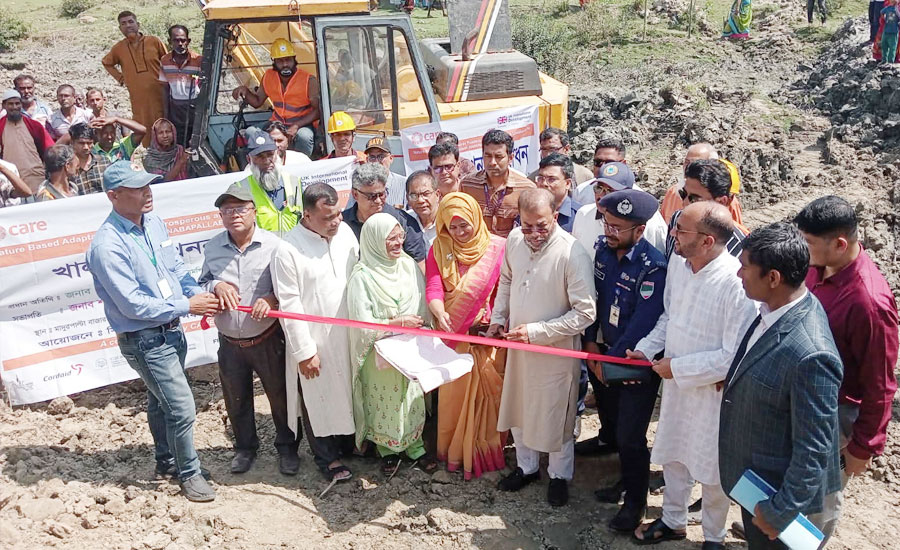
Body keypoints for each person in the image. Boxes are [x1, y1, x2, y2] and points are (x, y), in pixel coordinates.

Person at [85, 160, 220, 502]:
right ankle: (189, 473)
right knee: (181, 407)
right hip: (145, 339)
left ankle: (166, 460)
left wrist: (194, 292)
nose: (147, 192)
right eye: (137, 188)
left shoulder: (154, 224)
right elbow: (132, 305)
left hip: (170, 332)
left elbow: (175, 267)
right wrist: (188, 306)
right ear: (114, 196)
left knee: (162, 403)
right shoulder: (107, 245)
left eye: (147, 184)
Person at [629, 201, 758, 548]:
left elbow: (733, 355)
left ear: (707, 241)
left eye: (681, 230)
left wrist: (678, 368)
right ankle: (673, 520)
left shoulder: (736, 282)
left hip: (713, 394)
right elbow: (670, 317)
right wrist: (646, 348)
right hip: (676, 384)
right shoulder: (679, 264)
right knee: (674, 451)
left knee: (712, 469)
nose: (672, 234)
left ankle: (713, 537)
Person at [720, 222, 844, 549]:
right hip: (756, 484)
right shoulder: (775, 307)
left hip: (780, 503)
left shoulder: (811, 354)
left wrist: (780, 513)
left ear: (773, 278)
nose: (738, 274)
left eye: (745, 267)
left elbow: (814, 449)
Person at [490, 188, 597, 506]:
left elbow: (585, 313)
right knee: (521, 408)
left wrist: (537, 332)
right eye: (527, 226)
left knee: (554, 416)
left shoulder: (572, 253)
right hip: (519, 349)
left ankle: (560, 476)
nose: (534, 234)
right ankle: (526, 467)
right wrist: (499, 318)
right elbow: (507, 279)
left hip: (555, 354)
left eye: (542, 226)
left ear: (555, 215)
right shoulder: (513, 240)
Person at [198, 183, 300, 475]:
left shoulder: (276, 246)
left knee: (280, 397)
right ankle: (244, 448)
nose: (234, 215)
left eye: (240, 208)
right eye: (226, 210)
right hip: (230, 341)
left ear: (254, 211)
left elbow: (290, 288)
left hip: (267, 337)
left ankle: (288, 447)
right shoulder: (214, 247)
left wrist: (271, 299)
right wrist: (215, 285)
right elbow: (201, 281)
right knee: (236, 397)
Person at [582, 189, 668, 531]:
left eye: (619, 227)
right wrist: (591, 344)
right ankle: (625, 480)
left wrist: (610, 361)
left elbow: (642, 324)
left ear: (640, 230)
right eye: (608, 223)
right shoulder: (603, 253)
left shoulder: (653, 268)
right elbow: (593, 300)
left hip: (634, 364)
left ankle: (635, 504)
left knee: (632, 436)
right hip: (601, 357)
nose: (609, 231)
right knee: (615, 428)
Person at [796, 196, 898, 481]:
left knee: (817, 501)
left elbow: (880, 384)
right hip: (802, 400)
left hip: (834, 415)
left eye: (809, 242)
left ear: (840, 245)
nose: (803, 248)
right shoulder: (817, 268)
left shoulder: (868, 302)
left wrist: (863, 448)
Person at [272, 183, 359, 481]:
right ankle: (327, 458)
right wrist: (304, 351)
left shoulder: (345, 234)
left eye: (337, 215)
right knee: (318, 396)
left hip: (349, 335)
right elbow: (289, 303)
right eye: (327, 218)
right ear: (307, 216)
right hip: (315, 341)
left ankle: (349, 445)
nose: (335, 222)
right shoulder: (287, 250)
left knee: (348, 391)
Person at [347, 213, 436, 474]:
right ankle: (387, 450)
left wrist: (414, 327)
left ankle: (416, 447)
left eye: (400, 237)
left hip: (409, 348)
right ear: (374, 241)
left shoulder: (408, 265)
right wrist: (395, 325)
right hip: (380, 352)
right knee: (384, 401)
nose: (398, 243)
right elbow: (362, 323)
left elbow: (422, 304)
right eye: (390, 239)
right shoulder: (362, 277)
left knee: (411, 399)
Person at [426, 192, 508, 479]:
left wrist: (493, 323)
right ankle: (456, 454)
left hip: (488, 338)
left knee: (489, 400)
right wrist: (438, 310)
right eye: (453, 227)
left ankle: (487, 456)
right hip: (454, 339)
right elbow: (434, 286)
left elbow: (504, 293)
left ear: (476, 219)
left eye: (465, 226)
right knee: (454, 401)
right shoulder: (439, 248)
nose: (460, 233)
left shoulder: (498, 248)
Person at [232, 38, 320, 157]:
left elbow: (317, 111)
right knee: (251, 132)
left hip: (302, 124)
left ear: (294, 60)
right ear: (274, 62)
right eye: (280, 61)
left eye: (288, 60)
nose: (285, 64)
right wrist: (245, 92)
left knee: (304, 136)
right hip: (276, 123)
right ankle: (268, 164)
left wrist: (296, 126)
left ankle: (301, 168)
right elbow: (257, 102)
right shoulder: (268, 76)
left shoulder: (309, 80)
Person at [571, 162, 668, 256]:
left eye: (610, 191)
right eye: (598, 188)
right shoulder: (583, 214)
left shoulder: (650, 222)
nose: (602, 196)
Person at [102, 11, 167, 147]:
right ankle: (152, 155)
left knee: (165, 124)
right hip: (139, 100)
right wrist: (121, 78)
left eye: (131, 22)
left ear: (138, 24)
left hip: (160, 95)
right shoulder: (119, 48)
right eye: (123, 23)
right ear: (120, 29)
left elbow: (167, 61)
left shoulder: (154, 41)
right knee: (145, 127)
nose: (128, 26)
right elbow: (106, 62)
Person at [342, 163, 427, 263]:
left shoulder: (404, 222)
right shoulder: (343, 224)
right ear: (355, 194)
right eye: (371, 196)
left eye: (381, 194)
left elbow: (419, 265)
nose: (378, 201)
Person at [664, 159, 749, 260]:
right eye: (683, 194)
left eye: (695, 199)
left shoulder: (739, 249)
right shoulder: (676, 220)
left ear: (722, 202)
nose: (685, 203)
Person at [460, 129, 536, 238]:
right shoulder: (467, 185)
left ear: (510, 158)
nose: (492, 162)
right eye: (488, 156)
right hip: (477, 251)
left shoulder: (527, 189)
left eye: (499, 157)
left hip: (511, 251)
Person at [236, 127, 303, 238]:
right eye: (260, 157)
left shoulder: (295, 183)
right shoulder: (240, 189)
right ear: (249, 160)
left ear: (276, 154)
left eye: (270, 154)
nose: (266, 161)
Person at [0, 89, 56, 195]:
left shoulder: (34, 126)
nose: (14, 107)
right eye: (10, 104)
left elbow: (50, 150)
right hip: (12, 182)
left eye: (17, 103)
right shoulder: (0, 127)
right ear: (4, 106)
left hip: (37, 179)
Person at [158, 25, 202, 148]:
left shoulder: (198, 60)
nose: (180, 43)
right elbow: (165, 89)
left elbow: (204, 88)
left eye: (183, 40)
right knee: (178, 146)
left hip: (194, 110)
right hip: (175, 111)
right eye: (176, 40)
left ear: (188, 41)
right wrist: (166, 117)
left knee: (194, 146)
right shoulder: (165, 61)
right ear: (170, 42)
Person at [659, 143, 719, 224]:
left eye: (695, 163)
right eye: (687, 162)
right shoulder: (673, 193)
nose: (688, 167)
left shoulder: (722, 199)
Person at [528, 127, 593, 186]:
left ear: (566, 149)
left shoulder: (584, 176)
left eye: (552, 149)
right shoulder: (532, 180)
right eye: (544, 149)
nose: (548, 154)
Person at [534, 153, 582, 233]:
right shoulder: (529, 211)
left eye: (551, 179)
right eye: (541, 178)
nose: (544, 183)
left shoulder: (580, 215)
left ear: (567, 183)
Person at [69, 122, 112, 195]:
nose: (86, 147)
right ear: (72, 143)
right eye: (81, 143)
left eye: (89, 143)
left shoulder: (104, 162)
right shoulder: (68, 168)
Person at [406, 170, 439, 248]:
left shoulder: (449, 221)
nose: (420, 200)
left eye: (426, 194)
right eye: (414, 196)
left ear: (437, 195)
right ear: (407, 199)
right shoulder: (405, 221)